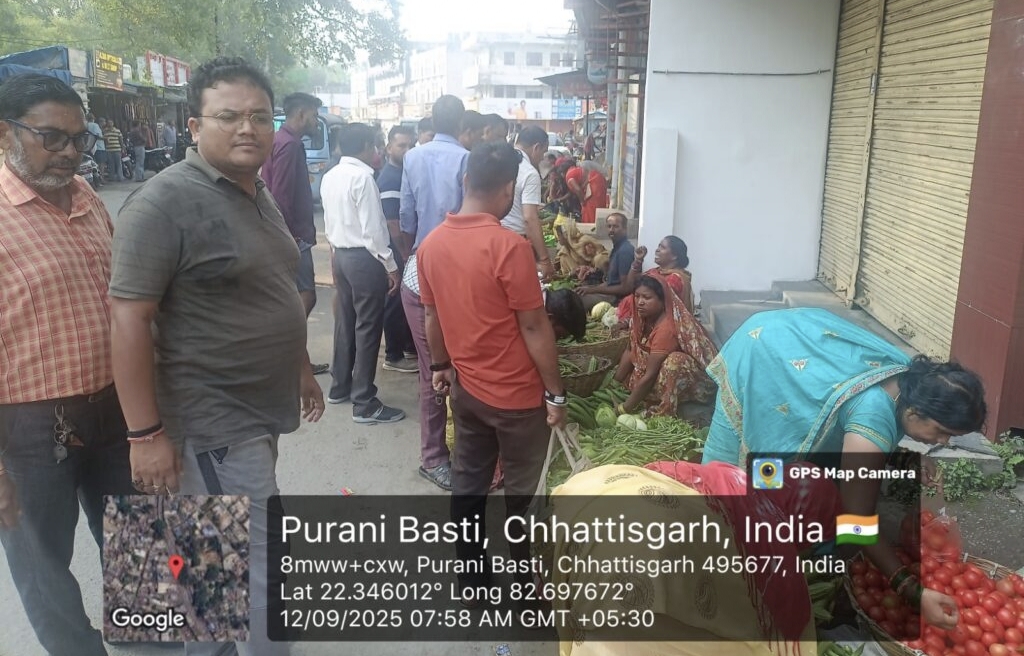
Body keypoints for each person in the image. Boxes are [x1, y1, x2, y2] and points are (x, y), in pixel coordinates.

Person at [109, 56, 325, 656]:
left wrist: (300, 367)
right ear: (195, 124)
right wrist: (145, 434)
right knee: (250, 564)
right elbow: (128, 319)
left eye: (259, 116)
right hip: (211, 420)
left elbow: (271, 286)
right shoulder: (163, 204)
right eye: (228, 116)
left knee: (211, 561)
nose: (246, 128)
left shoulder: (255, 191)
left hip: (257, 412)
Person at [701, 306, 987, 630]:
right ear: (915, 412)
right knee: (734, 482)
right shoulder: (873, 415)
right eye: (942, 431)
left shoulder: (909, 380)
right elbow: (857, 520)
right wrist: (911, 590)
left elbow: (858, 443)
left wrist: (900, 460)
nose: (944, 442)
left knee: (815, 479)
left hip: (792, 338)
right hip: (764, 352)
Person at [0, 72, 132, 656]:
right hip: (28, 428)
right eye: (51, 137)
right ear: (4, 133)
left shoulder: (86, 197)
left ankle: (161, 636)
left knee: (141, 529)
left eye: (80, 139)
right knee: (41, 559)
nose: (70, 152)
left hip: (117, 407)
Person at [417, 141, 567, 605]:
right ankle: (525, 591)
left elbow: (432, 316)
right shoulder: (509, 246)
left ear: (466, 181)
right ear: (507, 190)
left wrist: (441, 365)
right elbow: (534, 325)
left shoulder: (431, 245)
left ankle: (473, 581)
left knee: (469, 483)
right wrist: (556, 395)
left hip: (467, 391)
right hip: (518, 398)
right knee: (522, 495)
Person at [550, 461, 835, 655]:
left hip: (597, 500)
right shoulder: (772, 542)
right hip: (643, 556)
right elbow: (781, 621)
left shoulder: (728, 476)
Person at [399, 94, 469, 491]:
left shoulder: (412, 157)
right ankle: (433, 457)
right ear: (461, 124)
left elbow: (406, 216)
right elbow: (468, 215)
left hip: (421, 262)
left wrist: (413, 254)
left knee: (441, 368)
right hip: (448, 272)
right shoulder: (465, 159)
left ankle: (449, 450)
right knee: (437, 370)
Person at [321, 122, 405, 423]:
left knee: (346, 321)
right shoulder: (364, 178)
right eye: (375, 146)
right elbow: (374, 230)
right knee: (368, 326)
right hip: (364, 258)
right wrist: (391, 265)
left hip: (342, 254)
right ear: (368, 147)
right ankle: (364, 401)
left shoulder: (330, 176)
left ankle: (340, 386)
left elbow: (330, 223)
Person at [261, 91, 330, 375]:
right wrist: (289, 237)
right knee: (306, 296)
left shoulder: (280, 140)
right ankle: (289, 357)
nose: (315, 121)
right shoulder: (289, 145)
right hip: (293, 236)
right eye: (313, 115)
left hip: (286, 233)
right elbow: (281, 195)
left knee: (294, 298)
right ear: (301, 114)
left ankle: (294, 358)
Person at [613, 274, 717, 417]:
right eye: (637, 296)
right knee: (624, 373)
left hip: (690, 381)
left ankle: (664, 410)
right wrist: (613, 384)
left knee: (674, 361)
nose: (640, 302)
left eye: (647, 297)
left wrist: (624, 409)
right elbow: (630, 350)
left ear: (663, 301)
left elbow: (650, 375)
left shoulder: (666, 328)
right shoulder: (640, 319)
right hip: (653, 372)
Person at [376, 124, 419, 374]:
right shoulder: (390, 178)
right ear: (388, 147)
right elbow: (392, 222)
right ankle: (393, 355)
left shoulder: (403, 173)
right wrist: (403, 252)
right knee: (394, 300)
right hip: (395, 248)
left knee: (403, 299)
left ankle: (405, 347)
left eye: (410, 145)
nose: (407, 150)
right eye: (401, 145)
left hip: (401, 246)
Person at [501, 125, 554, 280]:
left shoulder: (498, 160)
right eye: (543, 152)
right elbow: (529, 218)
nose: (542, 158)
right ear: (536, 147)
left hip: (492, 236)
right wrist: (545, 260)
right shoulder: (529, 172)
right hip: (514, 240)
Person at [616, 235, 695, 325]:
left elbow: (655, 309)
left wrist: (628, 321)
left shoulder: (675, 279)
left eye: (663, 247)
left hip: (661, 326)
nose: (657, 250)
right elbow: (630, 285)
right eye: (659, 246)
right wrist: (638, 260)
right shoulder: (655, 272)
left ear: (674, 256)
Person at [577, 212, 634, 311]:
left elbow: (625, 288)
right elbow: (611, 282)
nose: (611, 230)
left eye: (616, 226)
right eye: (609, 226)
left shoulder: (625, 251)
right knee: (576, 292)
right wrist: (590, 288)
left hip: (615, 298)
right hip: (608, 292)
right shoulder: (617, 248)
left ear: (625, 229)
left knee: (574, 301)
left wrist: (592, 290)